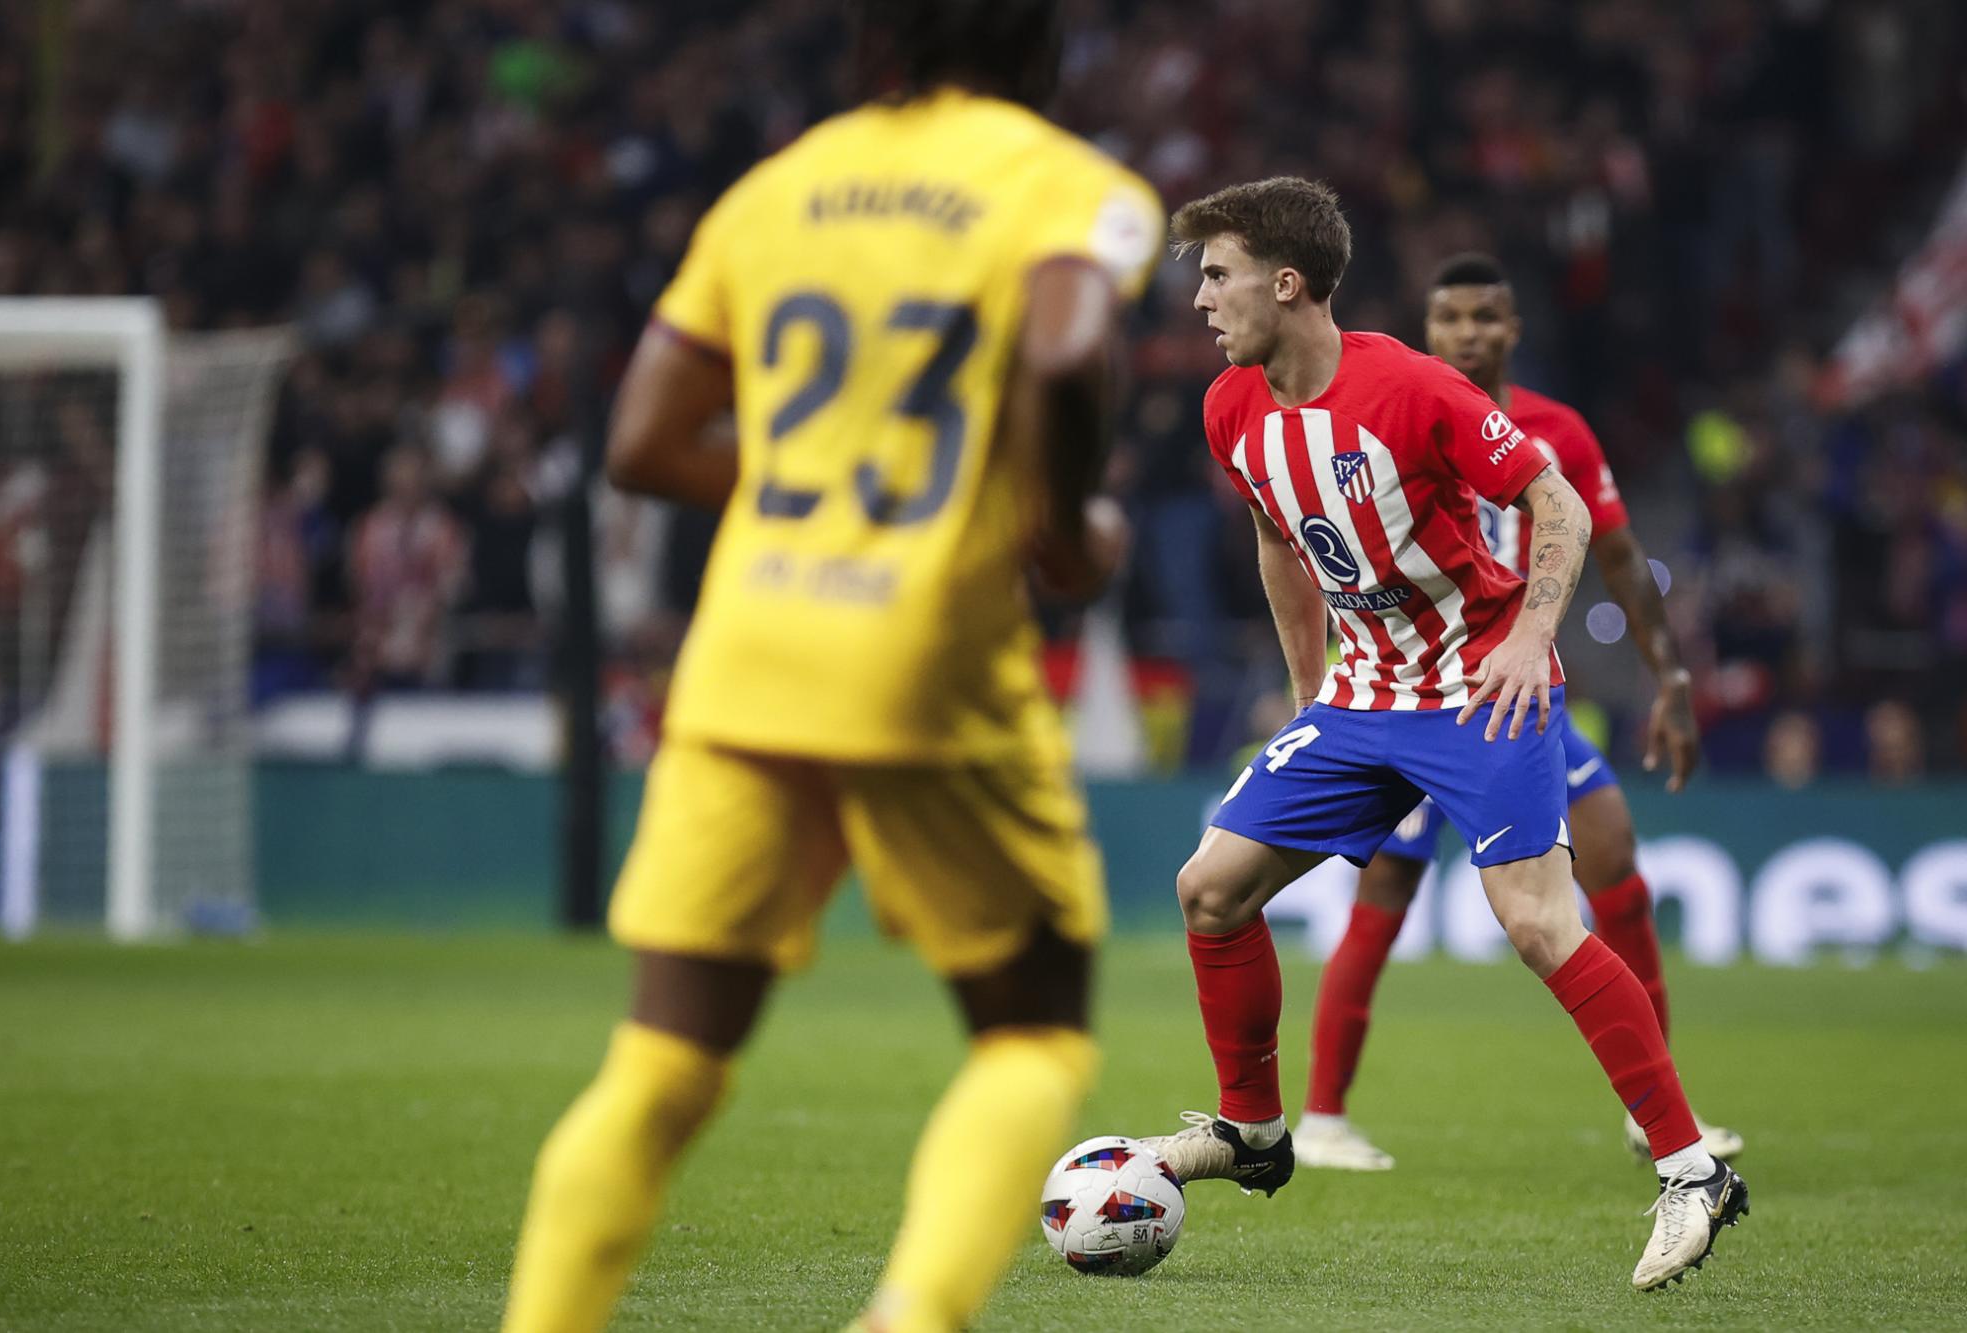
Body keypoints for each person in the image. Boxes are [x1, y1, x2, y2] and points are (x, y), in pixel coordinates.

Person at [499, 3, 1165, 1330]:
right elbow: (1070, 345)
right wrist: (1062, 520)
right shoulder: (1077, 188)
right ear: (1041, 52)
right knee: (1032, 1030)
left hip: (746, 656)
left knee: (662, 1064)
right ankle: (907, 1318)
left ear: (879, 45)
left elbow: (641, 442)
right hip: (926, 663)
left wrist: (820, 485)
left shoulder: (773, 192)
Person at [1139, 178, 1747, 1291]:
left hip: (1478, 690)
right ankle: (1255, 1130)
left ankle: (1688, 1168)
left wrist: (1528, 635)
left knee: (1533, 922)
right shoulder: (1232, 406)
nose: (1199, 300)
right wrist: (1306, 685)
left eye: (1215, 274)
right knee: (1208, 887)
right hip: (1362, 698)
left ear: (1285, 283)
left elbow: (1555, 502)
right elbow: (1281, 541)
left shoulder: (1411, 388)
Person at [1293, 253, 1743, 1173]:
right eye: (1451, 316)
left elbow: (1618, 557)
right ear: (1427, 327)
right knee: (1386, 889)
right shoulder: (1389, 409)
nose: (1469, 333)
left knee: (1616, 858)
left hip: (1516, 691)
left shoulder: (1557, 432)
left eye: (1486, 317)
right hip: (1413, 694)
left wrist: (1673, 679)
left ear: (1514, 329)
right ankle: (1323, 1116)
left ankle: (1653, 1109)